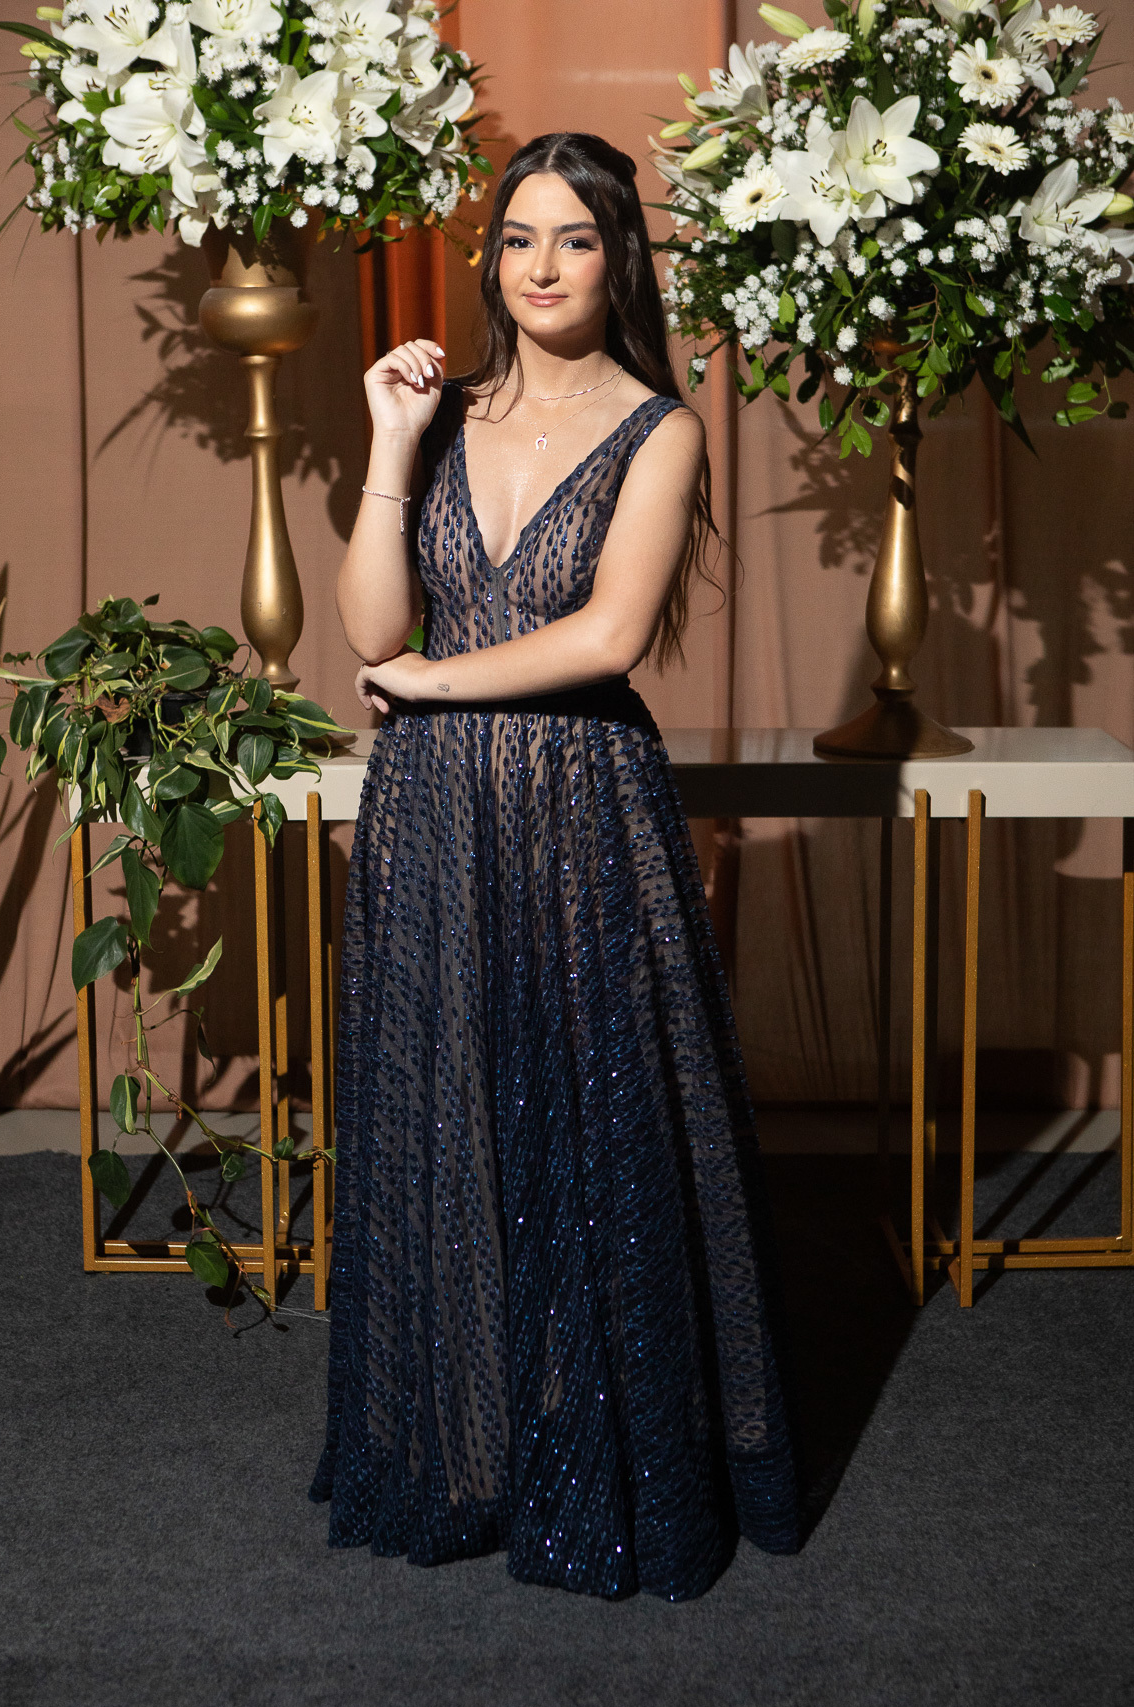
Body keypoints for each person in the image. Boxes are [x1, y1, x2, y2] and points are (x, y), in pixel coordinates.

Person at [310, 132, 799, 1601]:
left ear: (617, 257)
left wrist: (428, 685)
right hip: (431, 817)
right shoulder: (441, 413)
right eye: (518, 238)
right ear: (491, 260)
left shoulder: (661, 429)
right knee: (445, 1120)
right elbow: (369, 625)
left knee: (586, 1130)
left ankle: (600, 1463)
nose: (541, 267)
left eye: (574, 239)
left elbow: (608, 637)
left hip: (581, 809)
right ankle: (463, 1450)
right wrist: (390, 446)